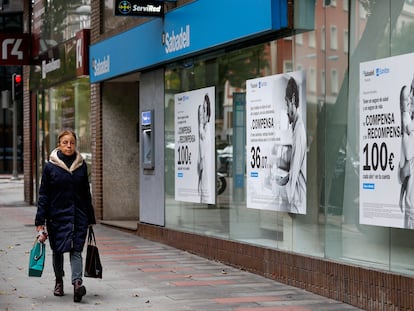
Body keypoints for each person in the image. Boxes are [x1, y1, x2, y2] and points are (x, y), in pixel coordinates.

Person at [35, 129, 96, 302]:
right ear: (59, 144)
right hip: (57, 217)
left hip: (78, 216)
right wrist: (40, 222)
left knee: (76, 249)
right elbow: (44, 195)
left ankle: (77, 284)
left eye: (72, 142)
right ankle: (59, 281)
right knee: (58, 251)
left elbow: (86, 193)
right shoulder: (50, 167)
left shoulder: (81, 165)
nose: (69, 146)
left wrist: (90, 219)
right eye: (65, 142)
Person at [283, 77, 306, 213]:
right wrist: (282, 181)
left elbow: (296, 168)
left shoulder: (299, 130)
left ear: (292, 100)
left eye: (287, 104)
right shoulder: (296, 128)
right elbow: (293, 171)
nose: (286, 110)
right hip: (298, 201)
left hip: (298, 203)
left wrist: (286, 197)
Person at [399, 84, 414, 227]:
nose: (409, 100)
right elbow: (402, 173)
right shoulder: (407, 124)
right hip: (411, 208)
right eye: (406, 99)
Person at [197, 93, 211, 203]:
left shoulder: (208, 127)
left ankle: (205, 197)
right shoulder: (202, 129)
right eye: (203, 110)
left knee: (205, 173)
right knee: (203, 173)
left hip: (206, 155)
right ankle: (203, 196)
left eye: (206, 110)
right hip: (203, 155)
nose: (204, 113)